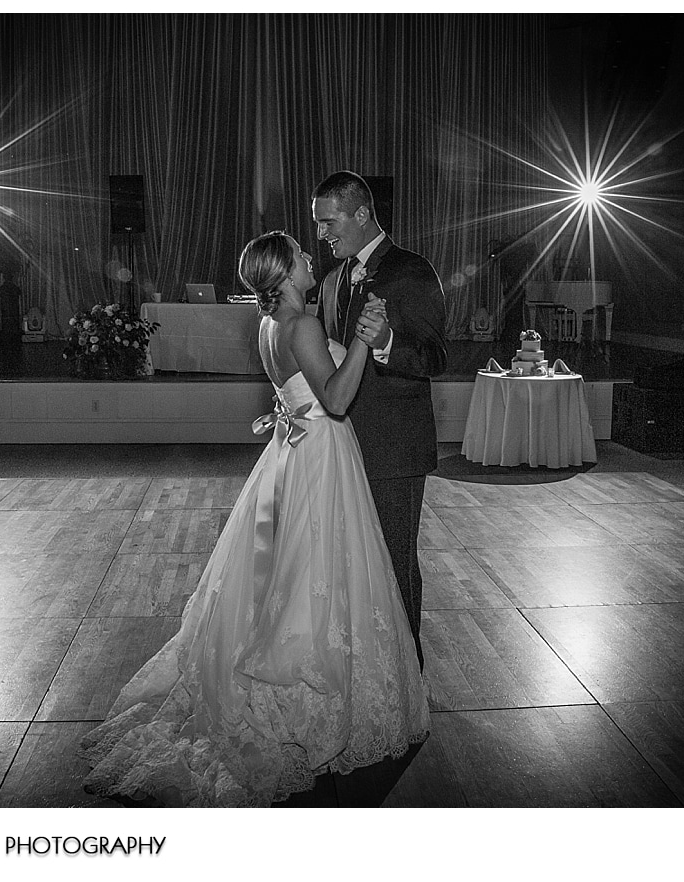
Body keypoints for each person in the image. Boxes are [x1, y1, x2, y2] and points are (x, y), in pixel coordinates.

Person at [79, 231, 429, 807]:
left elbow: (301, 391)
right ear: (287, 273)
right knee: (316, 574)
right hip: (320, 454)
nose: (310, 257)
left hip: (292, 452)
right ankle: (306, 688)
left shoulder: (269, 325)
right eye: (300, 255)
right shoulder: (303, 324)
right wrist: (364, 344)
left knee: (284, 577)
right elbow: (338, 400)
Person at [311, 171, 447, 669]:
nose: (323, 234)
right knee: (348, 568)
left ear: (362, 213)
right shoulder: (328, 282)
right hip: (339, 449)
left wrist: (388, 342)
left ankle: (407, 676)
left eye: (329, 222)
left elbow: (435, 357)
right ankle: (364, 675)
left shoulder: (412, 270)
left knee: (393, 566)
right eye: (319, 224)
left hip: (394, 450)